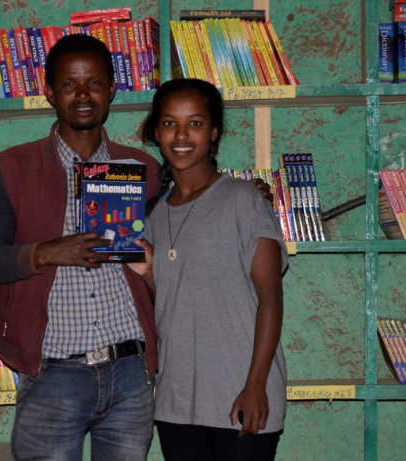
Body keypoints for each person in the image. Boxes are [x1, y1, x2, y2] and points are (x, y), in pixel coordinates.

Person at [0, 34, 161, 461]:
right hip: (52, 374)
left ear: (112, 89)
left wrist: (245, 193)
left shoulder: (142, 169)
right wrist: (47, 252)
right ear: (50, 92)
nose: (83, 94)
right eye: (69, 84)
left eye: (94, 82)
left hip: (131, 371)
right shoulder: (8, 169)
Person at [130, 78, 289, 461]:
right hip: (177, 399)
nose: (181, 135)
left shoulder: (244, 200)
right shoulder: (150, 216)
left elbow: (271, 297)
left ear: (214, 132)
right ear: (156, 131)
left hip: (242, 392)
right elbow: (174, 304)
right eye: (170, 123)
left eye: (196, 123)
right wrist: (150, 274)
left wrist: (256, 385)